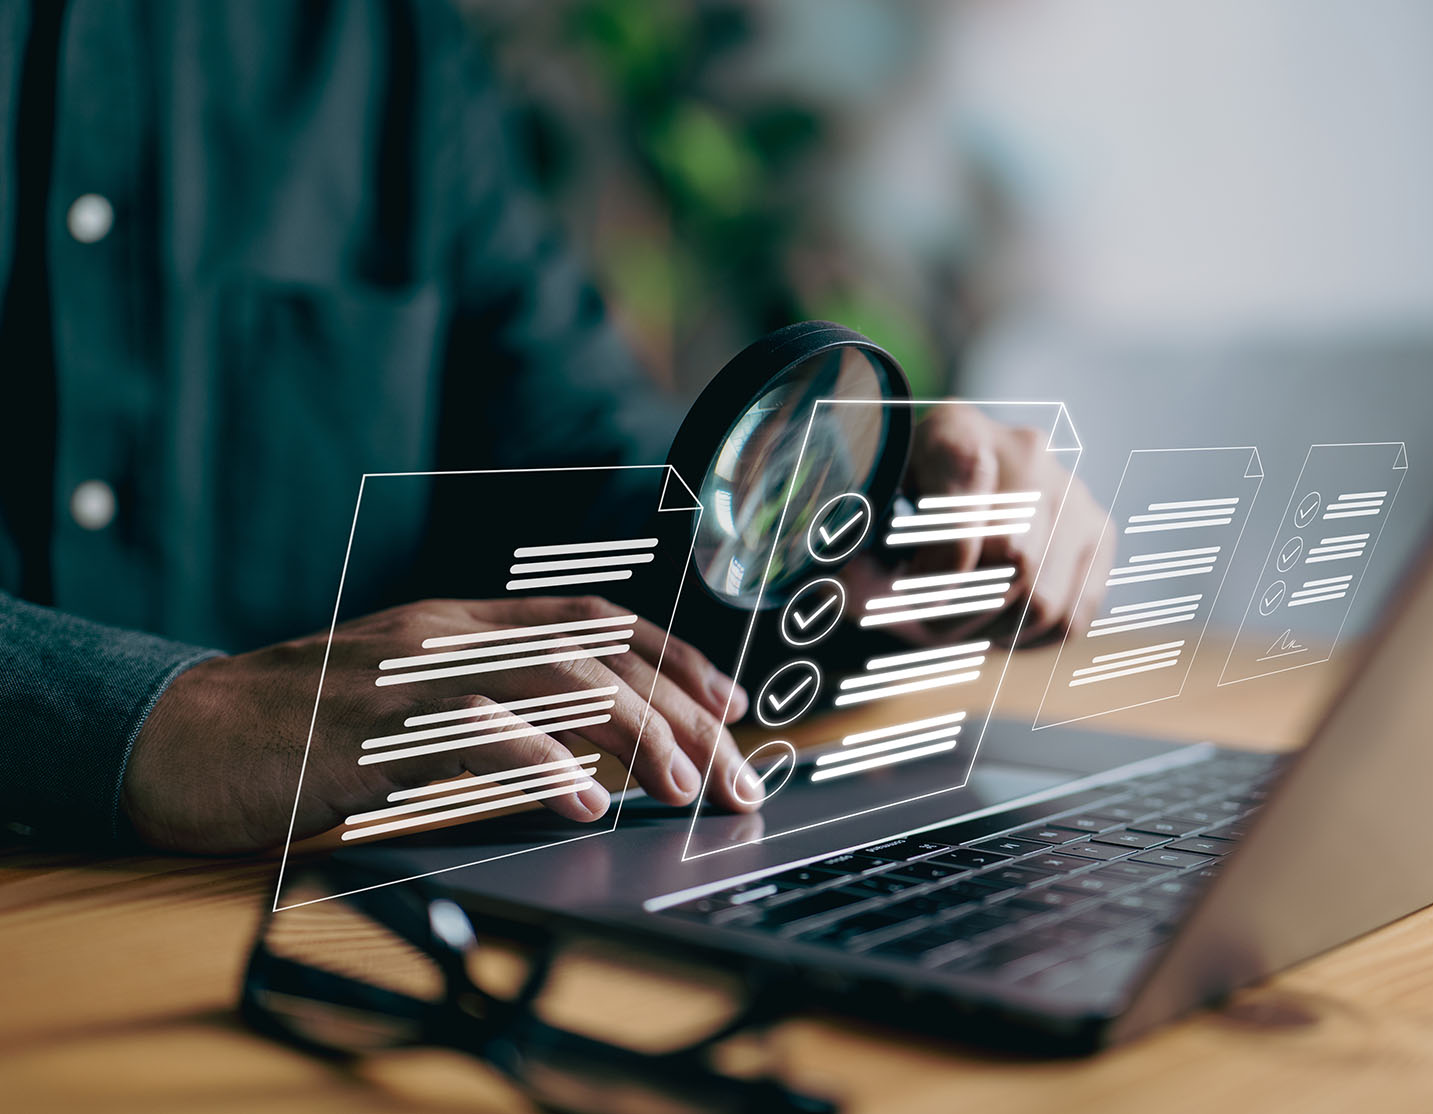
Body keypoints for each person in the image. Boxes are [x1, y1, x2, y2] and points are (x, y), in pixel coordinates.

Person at [0, 0, 1106, 854]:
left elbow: (586, 489)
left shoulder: (383, 43)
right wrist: (155, 720)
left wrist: (860, 544)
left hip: (292, 917)